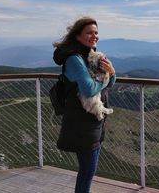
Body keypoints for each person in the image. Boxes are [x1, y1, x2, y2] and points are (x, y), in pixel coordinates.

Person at [52, 17, 116, 193]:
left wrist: (111, 72)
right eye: (89, 32)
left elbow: (109, 84)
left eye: (96, 32)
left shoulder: (90, 55)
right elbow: (88, 89)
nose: (94, 36)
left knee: (88, 170)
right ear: (77, 36)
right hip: (82, 123)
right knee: (87, 170)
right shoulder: (74, 59)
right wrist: (107, 76)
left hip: (94, 121)